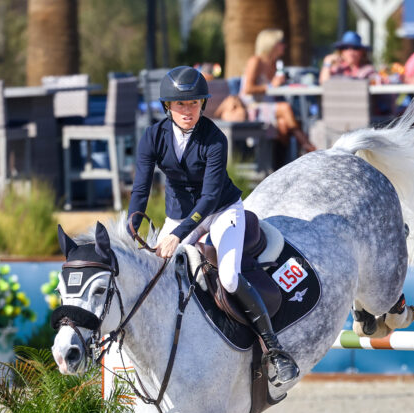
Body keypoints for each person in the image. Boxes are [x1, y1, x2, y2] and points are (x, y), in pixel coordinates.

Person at [128, 66, 300, 384]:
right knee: (155, 274)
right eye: (181, 105)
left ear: (203, 105)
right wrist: (132, 224)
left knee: (230, 277)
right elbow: (140, 188)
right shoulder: (152, 137)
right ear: (168, 106)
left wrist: (177, 236)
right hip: (180, 215)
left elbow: (208, 199)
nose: (188, 111)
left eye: (194, 103)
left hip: (222, 211)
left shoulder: (214, 138)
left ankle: (274, 349)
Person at [240, 28, 316, 153]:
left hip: (268, 104)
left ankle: (278, 164)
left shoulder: (275, 64)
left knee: (283, 124)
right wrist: (271, 86)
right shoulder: (256, 61)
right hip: (252, 106)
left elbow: (274, 87)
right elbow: (247, 89)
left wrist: (281, 83)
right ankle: (307, 146)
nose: (284, 46)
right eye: (281, 42)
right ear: (271, 44)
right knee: (285, 108)